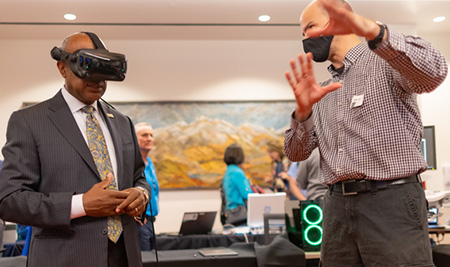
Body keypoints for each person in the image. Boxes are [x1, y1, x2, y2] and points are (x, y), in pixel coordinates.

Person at [284, 0, 447, 266]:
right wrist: (303, 112)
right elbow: (295, 152)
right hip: (336, 207)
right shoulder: (322, 90)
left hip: (391, 202)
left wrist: (376, 32)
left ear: (340, 20)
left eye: (310, 27)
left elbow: (434, 72)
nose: (305, 38)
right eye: (302, 33)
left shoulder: (385, 63)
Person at [0, 32, 150, 267]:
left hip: (125, 256)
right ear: (62, 68)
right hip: (65, 258)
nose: (98, 80)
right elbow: (9, 200)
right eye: (88, 68)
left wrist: (142, 195)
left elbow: (139, 177)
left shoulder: (122, 122)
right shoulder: (30, 122)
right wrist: (81, 205)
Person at [134, 122, 159, 251]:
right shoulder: (132, 163)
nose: (149, 138)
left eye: (151, 135)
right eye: (144, 135)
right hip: (139, 222)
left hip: (151, 220)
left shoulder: (149, 162)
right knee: (144, 259)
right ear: (134, 138)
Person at [222, 144, 252, 226]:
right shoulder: (237, 172)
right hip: (239, 213)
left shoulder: (228, 171)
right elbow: (247, 194)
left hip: (230, 212)